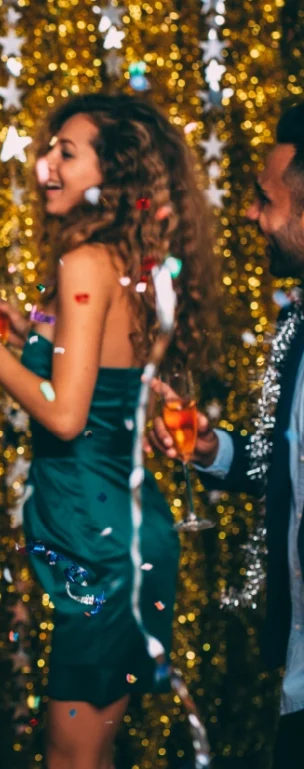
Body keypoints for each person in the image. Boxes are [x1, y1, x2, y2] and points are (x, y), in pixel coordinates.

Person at [0, 94, 219, 769]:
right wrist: (29, 338)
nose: (44, 166)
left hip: (97, 544)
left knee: (71, 756)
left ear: (112, 173)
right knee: (90, 749)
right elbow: (98, 376)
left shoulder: (85, 263)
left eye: (66, 152)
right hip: (119, 533)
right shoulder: (121, 258)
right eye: (47, 150)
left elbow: (65, 412)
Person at [150, 101, 304, 767]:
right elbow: (287, 468)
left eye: (264, 199)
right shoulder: (297, 326)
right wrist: (212, 450)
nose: (251, 216)